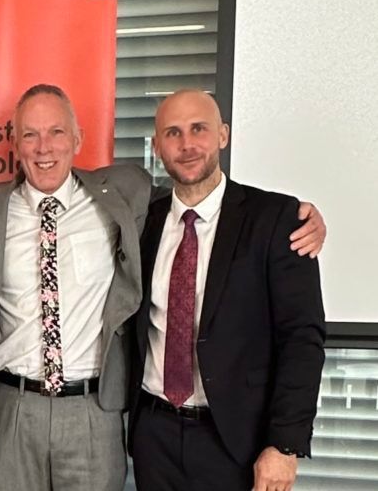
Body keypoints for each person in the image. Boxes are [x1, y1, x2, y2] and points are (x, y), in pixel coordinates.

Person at [0, 84, 326, 490]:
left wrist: (285, 444)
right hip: (42, 413)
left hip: (119, 416)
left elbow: (301, 337)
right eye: (30, 134)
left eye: (57, 132)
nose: (44, 146)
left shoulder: (267, 219)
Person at [128, 89, 326, 491]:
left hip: (238, 442)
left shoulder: (277, 220)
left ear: (223, 134)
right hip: (154, 435)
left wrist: (283, 445)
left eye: (198, 129)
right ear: (157, 146)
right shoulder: (141, 223)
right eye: (173, 133)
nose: (186, 145)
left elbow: (301, 339)